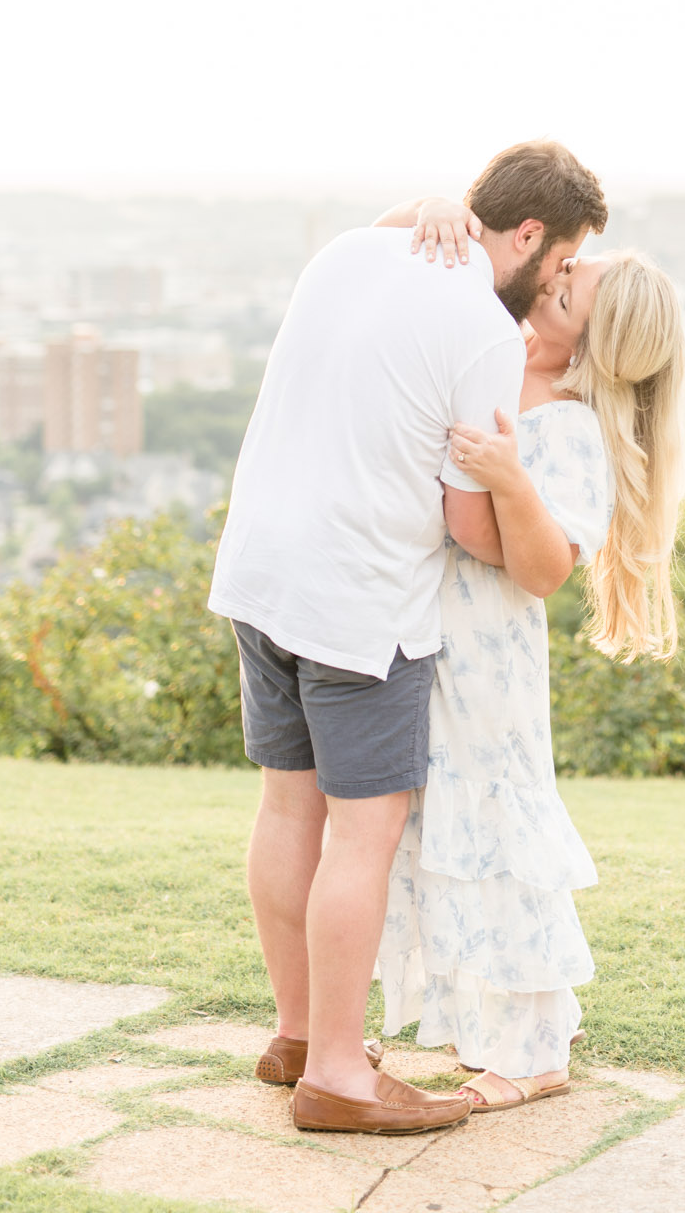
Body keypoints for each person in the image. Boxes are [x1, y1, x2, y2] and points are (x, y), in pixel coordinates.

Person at [207, 141, 608, 1137]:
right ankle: (340, 1073)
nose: (553, 279)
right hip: (360, 601)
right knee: (363, 831)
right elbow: (476, 533)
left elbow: (397, 236)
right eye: (558, 261)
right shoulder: (482, 329)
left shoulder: (343, 253)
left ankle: (297, 1032)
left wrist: (420, 204)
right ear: (526, 234)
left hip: (259, 569)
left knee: (286, 810)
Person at [373, 195, 685, 1112]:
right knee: (431, 829)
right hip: (429, 639)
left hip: (489, 662)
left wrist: (510, 480)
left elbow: (548, 565)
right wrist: (432, 212)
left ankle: (536, 1044)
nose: (541, 287)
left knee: (496, 839)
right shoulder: (492, 365)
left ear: (587, 348)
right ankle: (483, 1020)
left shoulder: (565, 424)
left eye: (560, 294)